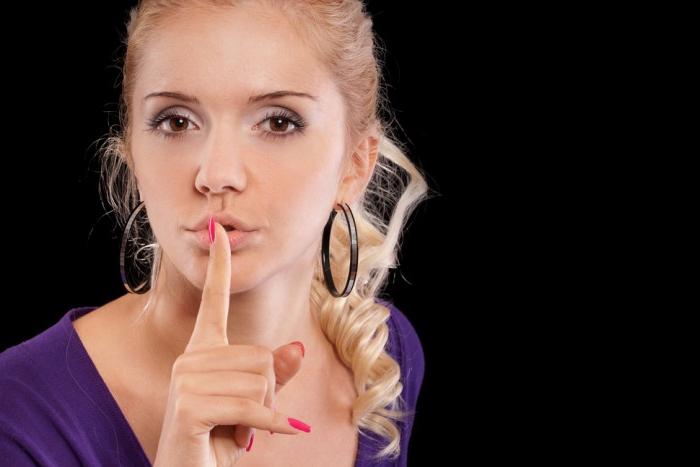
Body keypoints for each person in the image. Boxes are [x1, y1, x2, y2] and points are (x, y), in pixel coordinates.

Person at [0, 0, 430, 465]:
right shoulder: (17, 416)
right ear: (133, 156)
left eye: (278, 122)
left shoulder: (383, 354)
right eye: (176, 121)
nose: (216, 174)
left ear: (356, 165)